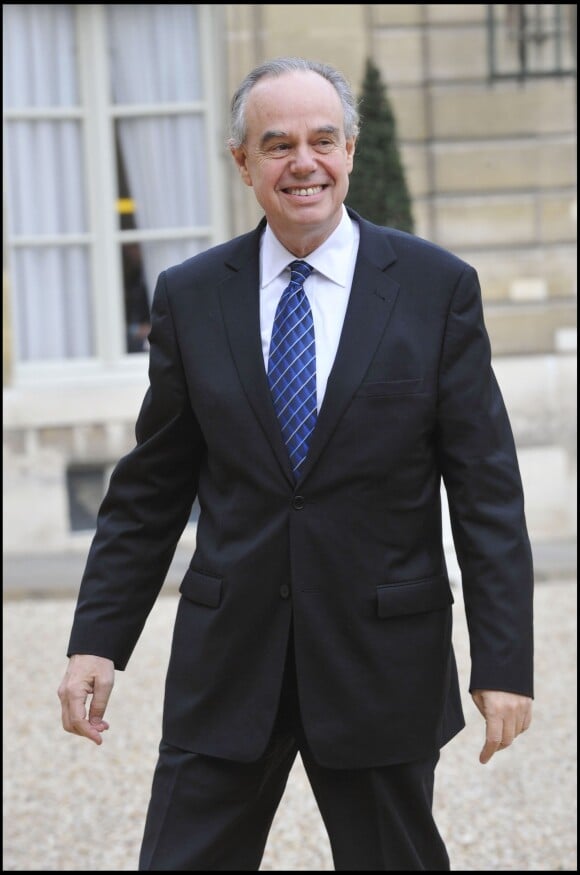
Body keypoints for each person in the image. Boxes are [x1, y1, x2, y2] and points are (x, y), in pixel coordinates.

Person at [58, 56, 534, 871]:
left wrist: (504, 660)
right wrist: (97, 638)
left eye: (322, 140)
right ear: (242, 163)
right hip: (229, 662)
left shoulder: (435, 288)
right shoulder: (191, 294)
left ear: (349, 149)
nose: (303, 163)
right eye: (277, 144)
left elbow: (486, 489)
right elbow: (151, 490)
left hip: (379, 659)